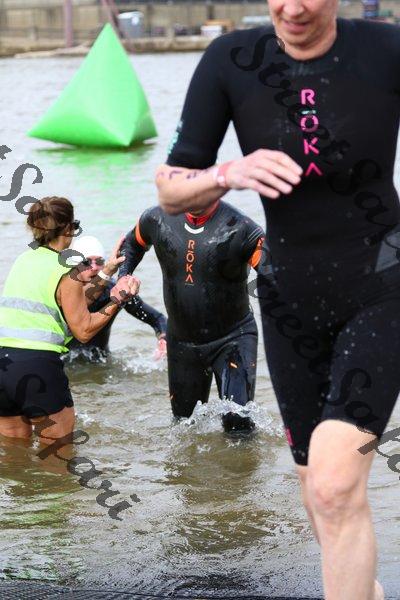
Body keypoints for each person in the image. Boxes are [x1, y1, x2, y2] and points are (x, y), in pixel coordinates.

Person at [154, 1, 400, 597]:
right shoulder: (233, 58)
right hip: (289, 300)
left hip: (381, 287)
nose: (292, 7)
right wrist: (227, 174)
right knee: (315, 483)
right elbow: (169, 188)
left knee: (335, 483)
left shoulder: (385, 49)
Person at [0, 197, 140, 445]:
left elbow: (72, 300)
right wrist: (117, 299)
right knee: (58, 457)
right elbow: (84, 330)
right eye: (74, 226)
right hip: (37, 368)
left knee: (14, 454)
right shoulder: (67, 270)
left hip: (3, 367)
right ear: (66, 229)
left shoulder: (24, 260)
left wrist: (107, 271)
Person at [119, 199, 264, 433]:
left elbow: (278, 277)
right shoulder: (156, 218)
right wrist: (124, 276)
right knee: (184, 427)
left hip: (233, 339)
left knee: (238, 426)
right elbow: (131, 244)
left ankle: (244, 459)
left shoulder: (242, 228)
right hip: (182, 342)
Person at [65, 235, 167, 362]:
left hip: (100, 363)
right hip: (63, 363)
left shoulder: (114, 291)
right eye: (86, 262)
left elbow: (157, 319)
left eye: (99, 261)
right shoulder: (62, 291)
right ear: (74, 266)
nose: (94, 267)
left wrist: (163, 339)